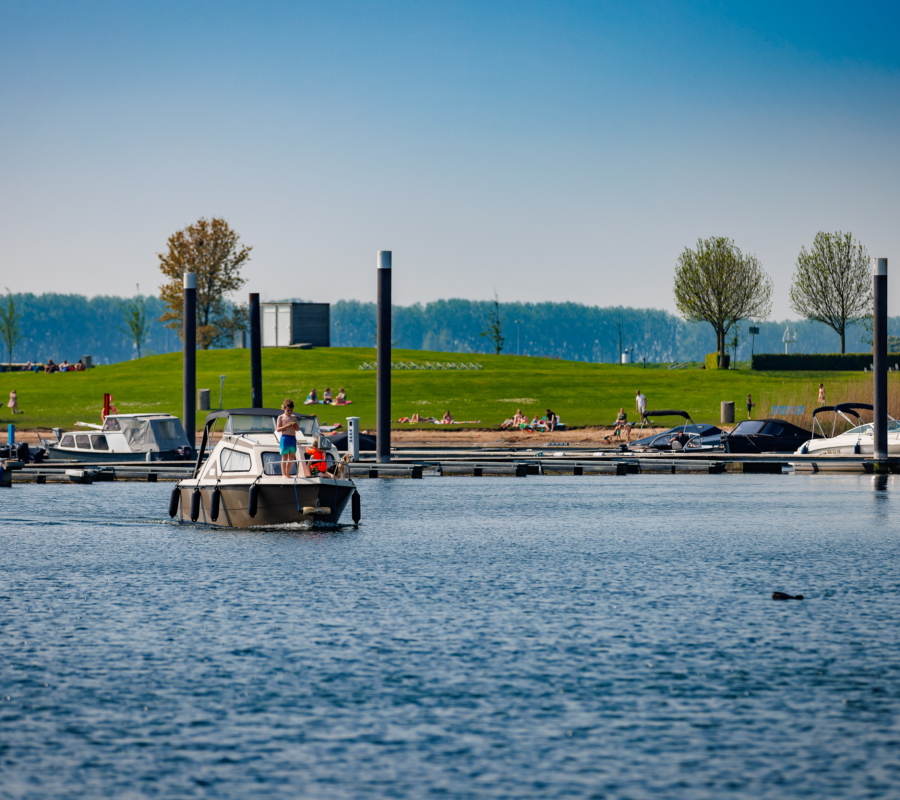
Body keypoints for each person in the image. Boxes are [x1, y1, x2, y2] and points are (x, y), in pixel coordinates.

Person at [276, 398, 300, 478]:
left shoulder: (293, 417)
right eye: (288, 410)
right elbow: (278, 429)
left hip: (293, 438)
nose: (290, 412)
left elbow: (297, 429)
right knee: (285, 457)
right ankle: (284, 475)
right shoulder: (281, 417)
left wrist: (294, 425)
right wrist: (286, 426)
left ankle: (288, 474)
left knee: (292, 457)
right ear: (284, 408)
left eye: (291, 410)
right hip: (285, 438)